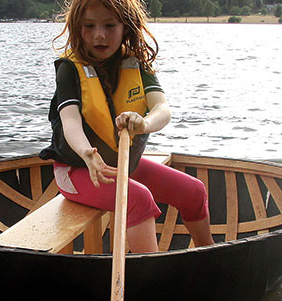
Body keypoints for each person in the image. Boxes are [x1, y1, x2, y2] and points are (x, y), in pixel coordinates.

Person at [39, 0, 214, 253]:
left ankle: (209, 257)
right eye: (90, 26)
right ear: (78, 29)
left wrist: (143, 123)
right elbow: (70, 120)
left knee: (194, 191)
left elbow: (162, 110)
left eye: (109, 25)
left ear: (126, 28)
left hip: (121, 165)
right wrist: (87, 153)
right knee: (138, 198)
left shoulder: (137, 64)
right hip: (76, 171)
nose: (100, 35)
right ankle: (151, 282)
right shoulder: (70, 69)